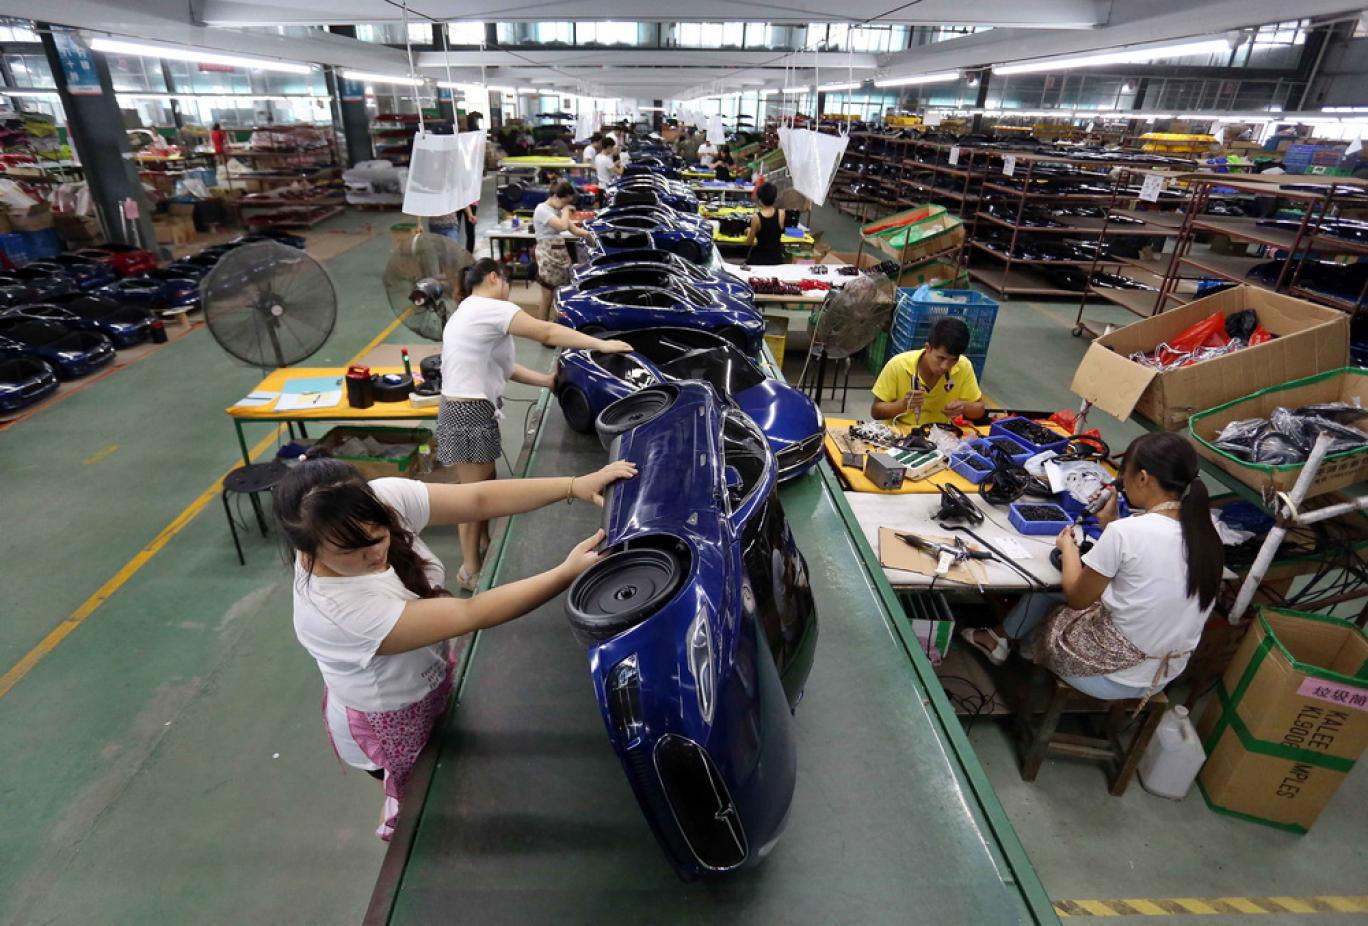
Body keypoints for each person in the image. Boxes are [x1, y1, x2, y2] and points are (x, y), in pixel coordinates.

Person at [277, 455, 637, 841]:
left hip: (423, 675)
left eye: (377, 535)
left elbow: (477, 499)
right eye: (351, 551)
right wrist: (565, 573)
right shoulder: (336, 613)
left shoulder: (373, 502)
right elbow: (471, 612)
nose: (375, 553)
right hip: (392, 715)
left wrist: (573, 485)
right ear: (309, 551)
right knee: (419, 800)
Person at [962, 432, 1223, 702]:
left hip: (1112, 678)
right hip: (1161, 675)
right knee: (1083, 592)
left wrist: (1069, 548)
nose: (1122, 483)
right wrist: (1112, 524)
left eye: (1125, 475)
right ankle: (1003, 639)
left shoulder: (1128, 531)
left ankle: (1021, 647)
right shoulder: (1207, 533)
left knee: (1050, 592)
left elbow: (1077, 598)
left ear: (1143, 478)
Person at [438, 259, 632, 589]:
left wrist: (546, 381)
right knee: (472, 497)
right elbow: (546, 331)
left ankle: (482, 544)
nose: (508, 291)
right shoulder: (489, 308)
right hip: (467, 413)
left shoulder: (469, 310)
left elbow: (505, 368)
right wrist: (601, 344)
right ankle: (469, 571)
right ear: (494, 278)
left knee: (485, 483)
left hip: (468, 410)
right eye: (507, 283)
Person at [870, 316, 985, 428]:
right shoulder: (898, 365)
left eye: (953, 360)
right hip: (901, 432)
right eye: (941, 358)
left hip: (940, 433)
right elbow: (876, 412)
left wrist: (964, 407)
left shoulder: (963, 366)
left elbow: (979, 409)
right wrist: (902, 405)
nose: (945, 366)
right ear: (928, 348)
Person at [532, 181, 593, 321]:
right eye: (565, 202)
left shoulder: (557, 210)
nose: (565, 206)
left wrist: (591, 235)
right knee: (547, 295)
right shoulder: (542, 210)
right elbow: (562, 226)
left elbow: (574, 229)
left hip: (559, 255)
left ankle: (558, 324)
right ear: (555, 196)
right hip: (547, 256)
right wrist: (565, 211)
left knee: (562, 293)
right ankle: (542, 327)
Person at [742, 181, 788, 266]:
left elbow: (749, 242)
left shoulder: (756, 217)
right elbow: (774, 231)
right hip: (776, 258)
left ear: (760, 200)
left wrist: (749, 231)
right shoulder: (781, 213)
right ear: (774, 198)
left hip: (760, 259)